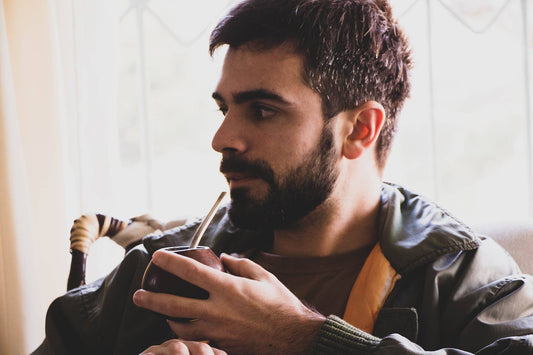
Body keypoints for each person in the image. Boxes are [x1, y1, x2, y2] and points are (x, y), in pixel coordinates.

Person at [34, 0, 533, 354]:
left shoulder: (465, 278)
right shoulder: (163, 267)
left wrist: (301, 337)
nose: (223, 137)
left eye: (263, 110)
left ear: (360, 129)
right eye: (224, 108)